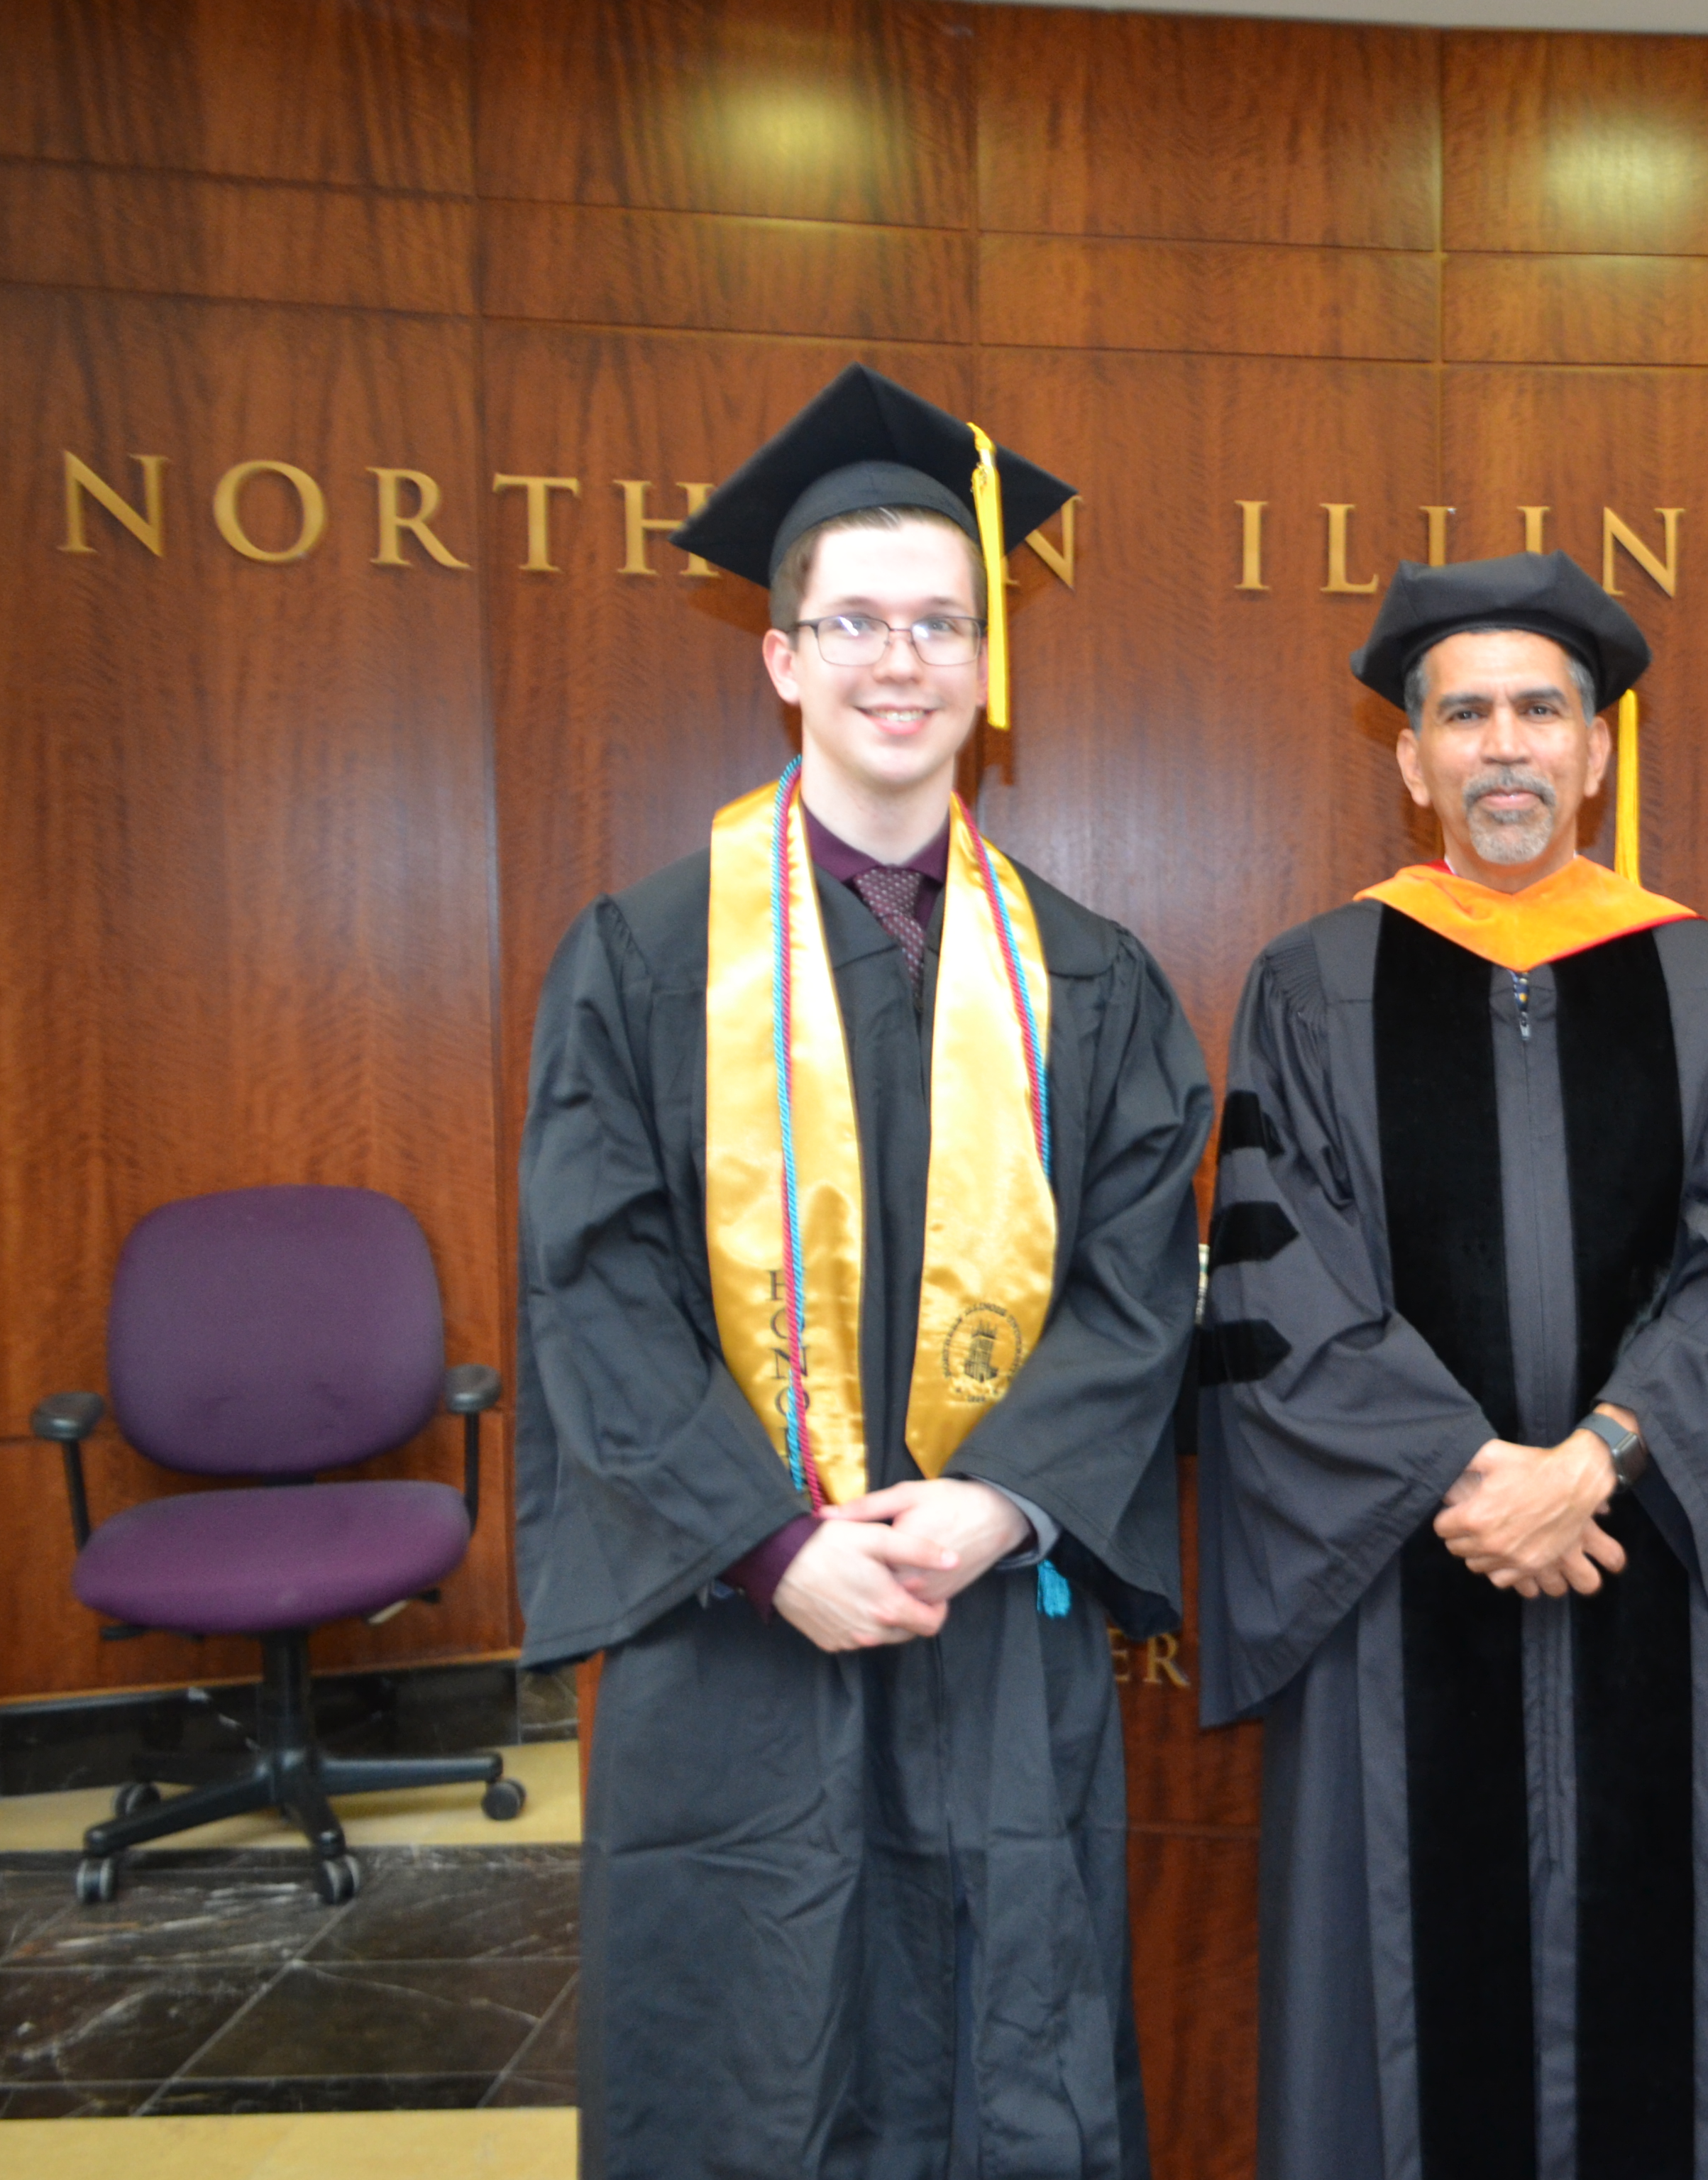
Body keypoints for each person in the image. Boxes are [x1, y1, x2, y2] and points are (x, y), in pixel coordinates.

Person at [513, 363, 1211, 2179]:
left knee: (1010, 2039)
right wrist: (770, 1543)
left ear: (988, 661)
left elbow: (1141, 1288)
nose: (902, 662)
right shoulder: (646, 957)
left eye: (943, 623)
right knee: (747, 2055)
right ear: (782, 655)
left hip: (989, 1610)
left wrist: (1003, 1502)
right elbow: (595, 1286)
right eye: (857, 623)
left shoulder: (1090, 979)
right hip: (736, 1622)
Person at [1195, 551, 1708, 2180]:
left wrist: (1597, 1457)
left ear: (1596, 751)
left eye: (1540, 712)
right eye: (1465, 714)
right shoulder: (1315, 985)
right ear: (1410, 758)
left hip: (1646, 1550)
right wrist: (1482, 1478)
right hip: (1408, 1562)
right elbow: (1280, 1279)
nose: (1503, 747)